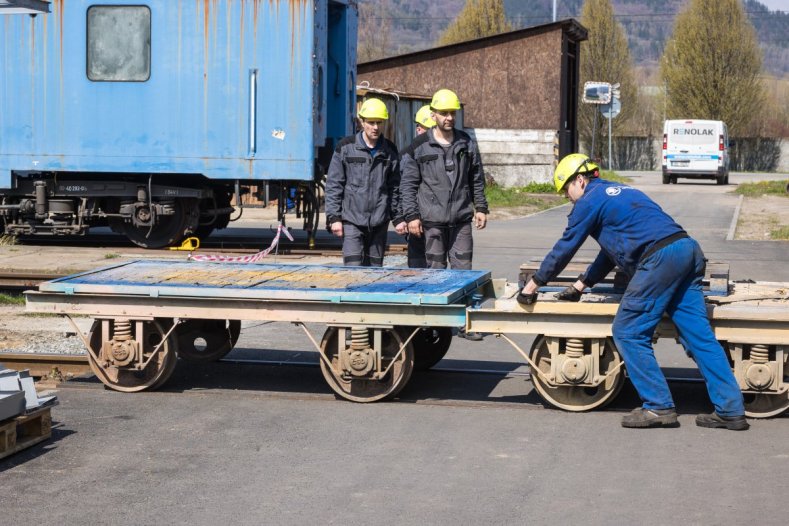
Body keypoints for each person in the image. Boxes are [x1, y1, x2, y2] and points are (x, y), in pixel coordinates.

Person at [517, 153, 748, 430]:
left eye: (566, 190)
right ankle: (731, 409)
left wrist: (533, 285)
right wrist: (581, 285)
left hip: (660, 260)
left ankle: (658, 406)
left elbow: (565, 247)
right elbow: (611, 252)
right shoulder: (619, 192)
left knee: (628, 331)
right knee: (699, 336)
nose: (568, 198)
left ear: (579, 180)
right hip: (687, 250)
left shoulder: (588, 200)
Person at [400, 89, 489, 340]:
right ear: (433, 115)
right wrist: (412, 216)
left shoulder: (466, 143)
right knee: (435, 273)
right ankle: (434, 325)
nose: (449, 117)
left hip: (461, 220)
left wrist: (481, 207)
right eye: (444, 113)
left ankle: (464, 324)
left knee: (463, 272)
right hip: (432, 222)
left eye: (452, 113)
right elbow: (408, 185)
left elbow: (476, 177)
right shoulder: (418, 147)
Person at [325, 98, 406, 266]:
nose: (375, 127)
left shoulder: (390, 150)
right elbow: (334, 185)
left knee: (374, 273)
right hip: (352, 220)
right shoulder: (345, 147)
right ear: (362, 122)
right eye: (371, 122)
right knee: (353, 270)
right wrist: (334, 217)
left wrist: (398, 217)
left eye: (379, 122)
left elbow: (394, 188)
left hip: (379, 223)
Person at [403, 104, 437, 268]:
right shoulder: (407, 154)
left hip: (437, 219)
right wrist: (406, 217)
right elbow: (402, 189)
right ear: (418, 129)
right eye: (429, 130)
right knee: (418, 266)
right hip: (416, 219)